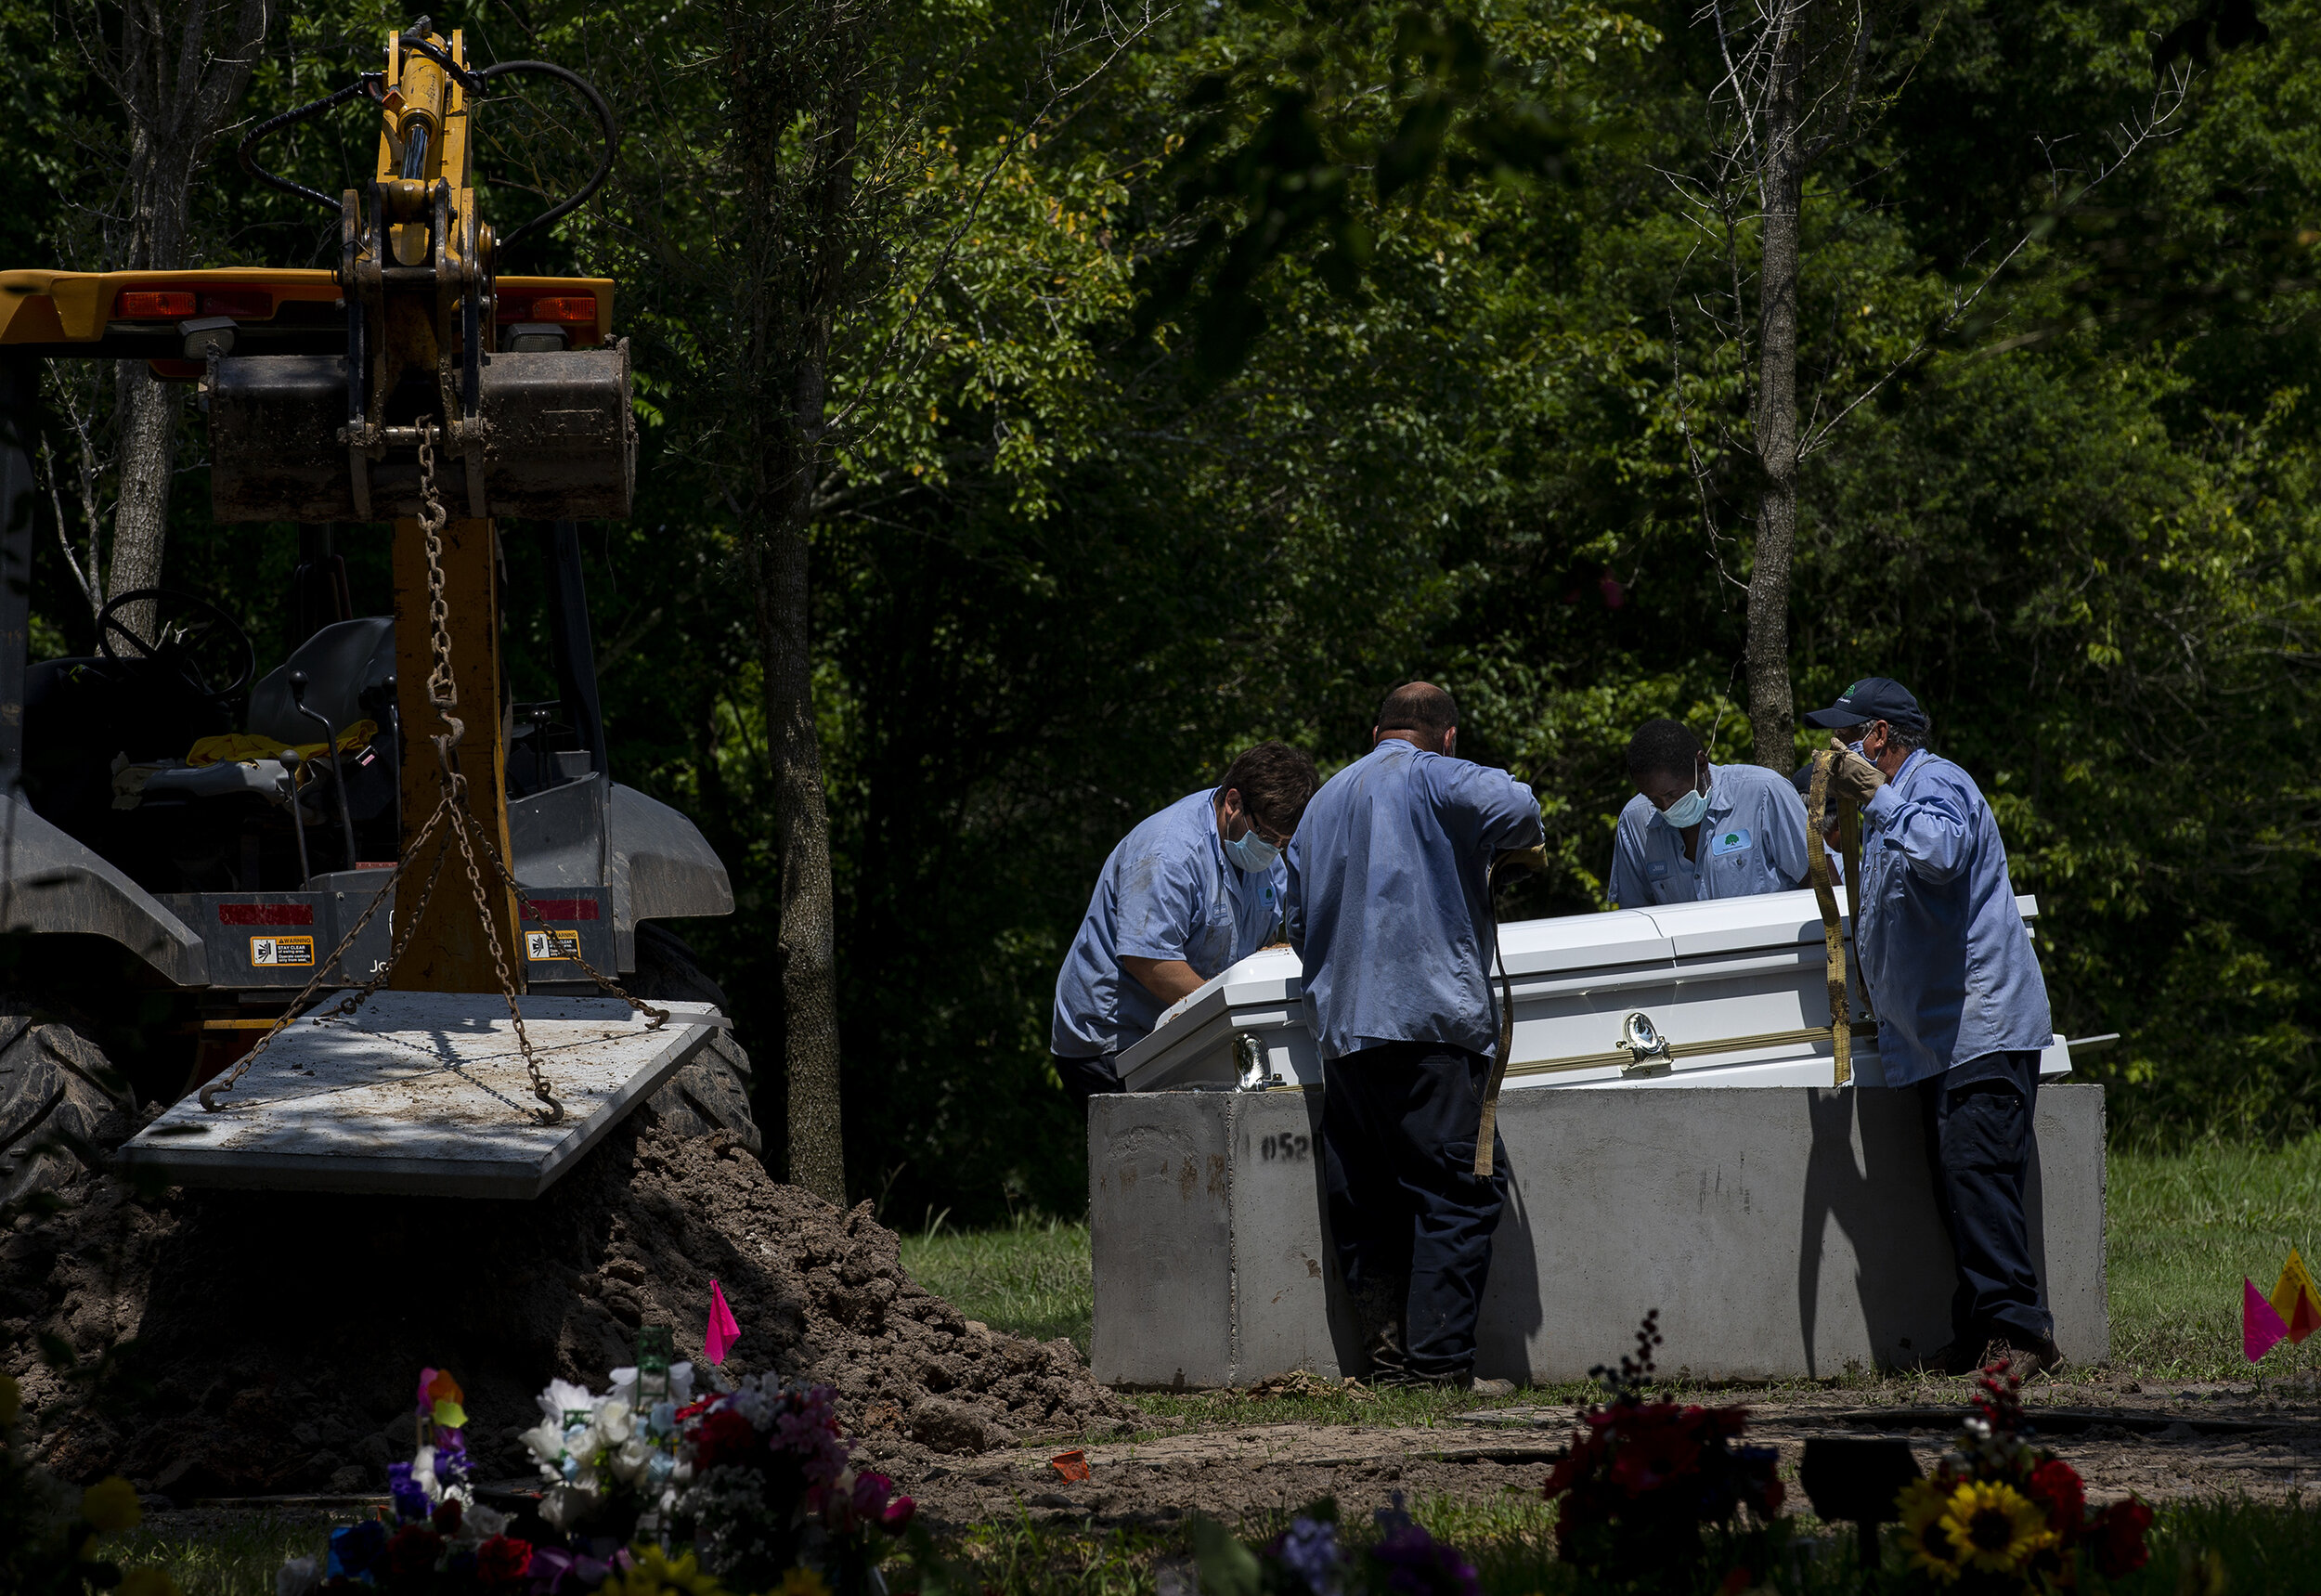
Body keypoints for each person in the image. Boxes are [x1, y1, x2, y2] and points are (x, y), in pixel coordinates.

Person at [1285, 681, 1543, 1390]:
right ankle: (1438, 1370)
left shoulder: (1324, 803)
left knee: (1368, 1202)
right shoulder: (1435, 773)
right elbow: (1521, 809)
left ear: (1377, 731)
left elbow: (1298, 922)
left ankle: (1391, 1367)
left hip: (1345, 1036)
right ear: (1447, 736)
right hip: (1428, 1029)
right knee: (1457, 1192)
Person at [1807, 676, 2061, 1378]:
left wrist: (1877, 795)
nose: (1840, 748)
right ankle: (1983, 1332)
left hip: (1980, 1028)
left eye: (1849, 735)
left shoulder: (1936, 784)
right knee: (1957, 1188)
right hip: (1935, 1041)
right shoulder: (1892, 809)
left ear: (1880, 736)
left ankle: (2022, 1334)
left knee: (1979, 1179)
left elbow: (1944, 855)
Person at [1050, 741, 1320, 1110]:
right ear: (1233, 803)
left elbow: (1264, 950)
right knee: (1149, 1160)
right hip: (1111, 1043)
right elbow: (1149, 961)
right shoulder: (1168, 854)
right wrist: (1232, 1017)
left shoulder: (1267, 859)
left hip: (1183, 1033)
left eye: (1283, 843)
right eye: (1266, 836)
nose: (1273, 849)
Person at [1608, 719, 1816, 908]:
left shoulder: (1764, 793)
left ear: (1700, 764)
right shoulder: (1634, 820)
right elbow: (1635, 916)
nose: (1666, 808)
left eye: (1673, 795)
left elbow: (1820, 882)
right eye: (1654, 800)